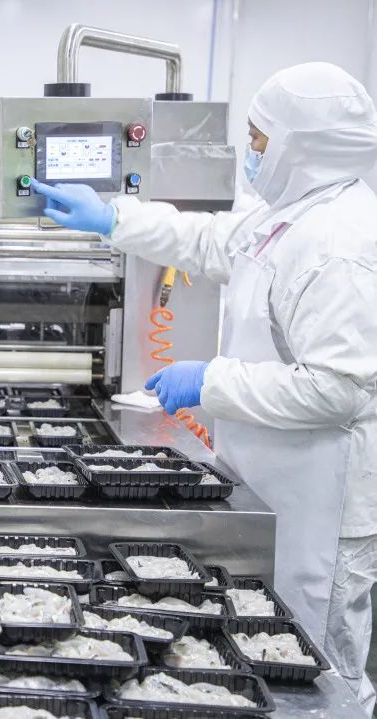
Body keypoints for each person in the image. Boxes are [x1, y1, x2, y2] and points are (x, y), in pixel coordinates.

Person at [31, 62, 377, 714]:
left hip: (322, 502)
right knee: (266, 652)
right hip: (273, 477)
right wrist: (113, 216)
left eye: (259, 139)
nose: (250, 153)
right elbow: (213, 240)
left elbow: (338, 390)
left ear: (301, 146)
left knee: (318, 669)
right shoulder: (292, 211)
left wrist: (209, 380)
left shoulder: (341, 245)